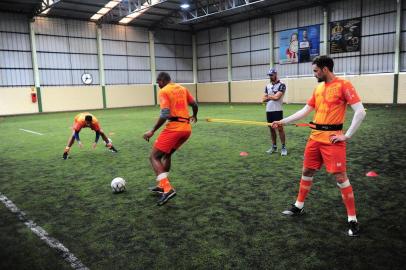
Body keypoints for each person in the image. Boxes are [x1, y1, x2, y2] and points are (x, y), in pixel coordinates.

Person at [271, 55, 366, 237]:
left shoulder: (343, 85)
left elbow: (360, 112)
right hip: (314, 138)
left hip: (333, 140)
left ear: (325, 69)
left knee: (340, 177)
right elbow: (305, 111)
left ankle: (352, 219)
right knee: (307, 171)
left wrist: (346, 136)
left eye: (316, 70)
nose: (314, 74)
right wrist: (282, 121)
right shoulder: (318, 88)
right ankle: (299, 206)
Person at [143, 72, 198, 206]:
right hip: (186, 128)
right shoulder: (182, 88)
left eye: (158, 82)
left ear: (163, 80)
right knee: (167, 155)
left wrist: (152, 130)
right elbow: (194, 104)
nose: (158, 85)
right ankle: (162, 186)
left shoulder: (164, 91)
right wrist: (194, 115)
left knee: (154, 157)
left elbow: (165, 114)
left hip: (174, 128)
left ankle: (167, 188)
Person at [262, 68, 287, 156]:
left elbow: (277, 98)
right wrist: (272, 96)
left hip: (277, 110)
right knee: (271, 129)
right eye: (269, 75)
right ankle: (274, 146)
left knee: (280, 129)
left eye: (271, 75)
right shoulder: (267, 86)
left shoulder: (282, 85)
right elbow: (263, 99)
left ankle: (283, 147)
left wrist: (269, 96)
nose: (270, 76)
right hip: (269, 111)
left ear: (276, 74)